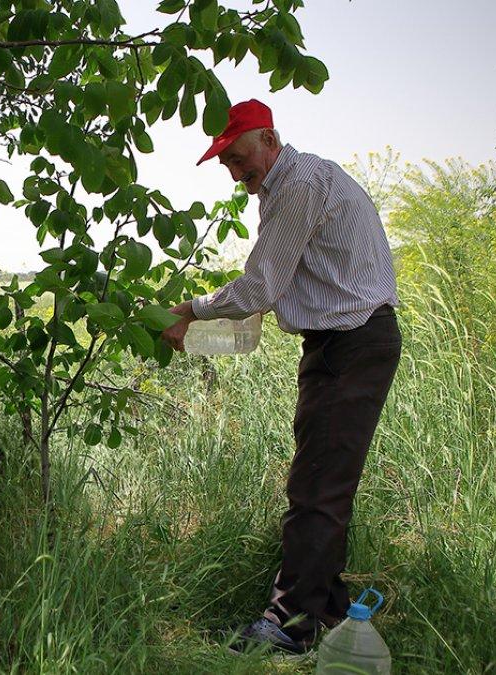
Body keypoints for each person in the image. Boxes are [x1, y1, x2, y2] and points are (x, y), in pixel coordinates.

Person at [161, 99, 402, 655]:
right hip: (347, 341)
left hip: (351, 343)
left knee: (317, 486)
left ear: (269, 139)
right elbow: (282, 283)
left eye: (240, 158)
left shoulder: (296, 183)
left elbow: (262, 285)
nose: (236, 173)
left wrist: (188, 310)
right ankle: (328, 609)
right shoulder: (303, 179)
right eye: (227, 165)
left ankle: (289, 624)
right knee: (323, 478)